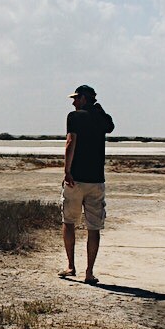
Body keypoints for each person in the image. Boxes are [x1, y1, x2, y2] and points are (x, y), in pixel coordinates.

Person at [60, 84, 114, 284]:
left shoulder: (74, 117)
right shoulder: (101, 118)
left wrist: (67, 170)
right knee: (94, 227)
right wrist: (99, 110)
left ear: (83, 98)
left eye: (76, 98)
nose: (73, 102)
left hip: (76, 179)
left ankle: (70, 266)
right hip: (96, 180)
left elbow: (70, 142)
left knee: (69, 221)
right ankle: (89, 272)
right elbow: (110, 126)